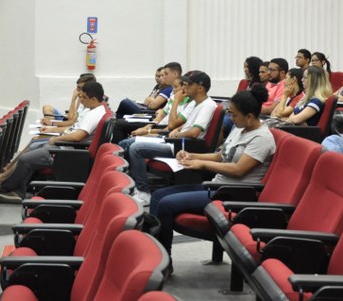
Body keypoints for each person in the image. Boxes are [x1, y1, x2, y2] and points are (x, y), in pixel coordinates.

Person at [149, 85, 275, 257]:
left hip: (232, 193)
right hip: (217, 185)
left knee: (166, 204)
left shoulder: (262, 138)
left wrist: (202, 165)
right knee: (158, 196)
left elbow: (239, 170)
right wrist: (191, 156)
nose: (231, 118)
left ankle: (163, 257)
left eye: (234, 114)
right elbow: (220, 157)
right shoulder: (240, 129)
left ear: (250, 116)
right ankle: (155, 251)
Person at [0, 81, 107, 203]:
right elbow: (73, 129)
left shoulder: (95, 114)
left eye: (84, 97)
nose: (81, 100)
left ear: (93, 99)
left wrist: (56, 139)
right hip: (64, 147)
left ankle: (6, 190)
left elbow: (78, 136)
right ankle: (16, 191)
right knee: (33, 149)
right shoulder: (92, 110)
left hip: (66, 152)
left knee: (26, 159)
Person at [127, 70, 218, 206]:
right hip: (177, 141)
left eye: (188, 85)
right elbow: (185, 126)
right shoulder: (197, 103)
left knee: (136, 148)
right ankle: (134, 187)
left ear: (200, 88)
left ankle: (143, 192)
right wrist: (178, 130)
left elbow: (194, 132)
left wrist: (178, 134)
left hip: (184, 146)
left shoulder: (208, 105)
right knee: (128, 143)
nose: (184, 88)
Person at [115, 62, 182, 118]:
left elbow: (153, 105)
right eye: (159, 76)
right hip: (149, 111)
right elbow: (146, 101)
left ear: (175, 74)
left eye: (165, 74)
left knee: (125, 102)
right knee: (121, 118)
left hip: (150, 114)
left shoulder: (169, 89)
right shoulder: (160, 87)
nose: (163, 77)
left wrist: (151, 100)